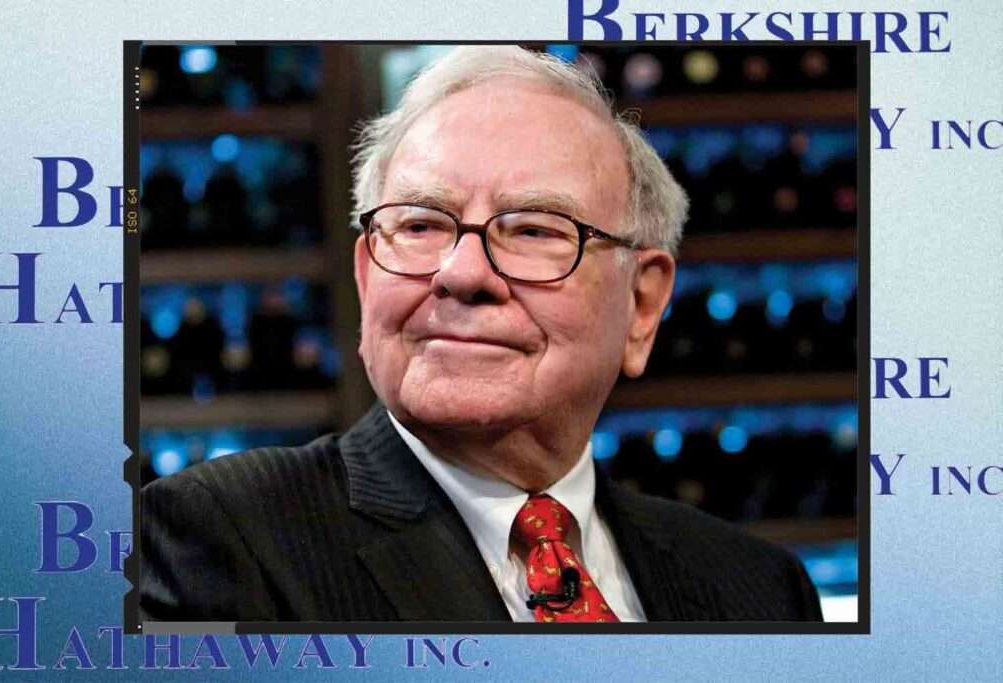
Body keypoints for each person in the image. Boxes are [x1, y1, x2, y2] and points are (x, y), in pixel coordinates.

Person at [140, 46, 822, 623]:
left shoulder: (762, 591)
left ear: (642, 304)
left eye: (532, 230)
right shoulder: (215, 539)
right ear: (365, 276)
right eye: (419, 225)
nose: (461, 272)